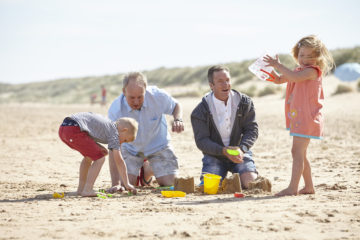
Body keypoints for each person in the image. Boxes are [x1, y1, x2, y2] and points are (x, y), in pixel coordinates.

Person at [263, 35, 335, 196]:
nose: (305, 59)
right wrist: (270, 73)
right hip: (300, 117)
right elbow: (281, 79)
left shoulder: (312, 71)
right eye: (302, 55)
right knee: (300, 153)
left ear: (318, 57)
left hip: (307, 117)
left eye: (310, 56)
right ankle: (309, 187)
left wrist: (278, 65)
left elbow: (294, 78)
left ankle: (292, 188)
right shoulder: (298, 70)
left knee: (297, 152)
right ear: (297, 54)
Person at [107, 72, 184, 192]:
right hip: (130, 149)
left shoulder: (158, 96)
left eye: (140, 97)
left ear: (145, 90)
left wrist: (178, 119)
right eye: (132, 97)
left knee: (170, 183)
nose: (136, 102)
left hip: (159, 146)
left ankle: (147, 171)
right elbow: (113, 147)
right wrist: (115, 183)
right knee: (124, 186)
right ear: (124, 91)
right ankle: (140, 170)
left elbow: (176, 106)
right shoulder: (115, 109)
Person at [191, 65, 258, 189]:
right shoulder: (200, 111)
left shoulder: (245, 103)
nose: (225, 84)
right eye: (220, 81)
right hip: (214, 155)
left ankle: (236, 180)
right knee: (209, 188)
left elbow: (252, 130)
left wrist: (242, 149)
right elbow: (202, 141)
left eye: (227, 80)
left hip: (239, 153)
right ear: (211, 85)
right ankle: (225, 181)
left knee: (252, 184)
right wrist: (223, 151)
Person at [58, 112, 138, 197]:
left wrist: (99, 148)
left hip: (65, 128)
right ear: (124, 130)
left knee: (89, 157)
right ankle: (88, 189)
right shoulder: (115, 133)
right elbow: (119, 162)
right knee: (100, 158)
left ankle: (81, 189)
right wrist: (127, 183)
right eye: (125, 140)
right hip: (75, 129)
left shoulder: (108, 125)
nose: (122, 143)